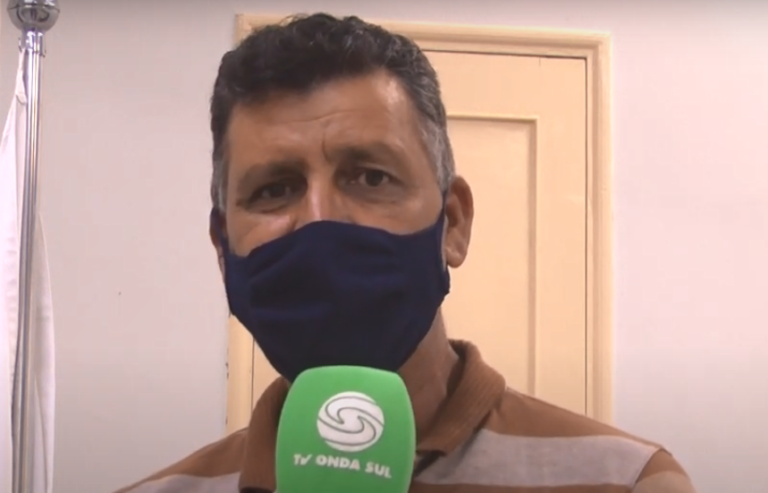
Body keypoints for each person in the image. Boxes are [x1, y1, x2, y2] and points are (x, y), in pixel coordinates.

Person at [115, 13, 697, 493]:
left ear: (453, 223)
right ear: (223, 250)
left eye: (370, 177)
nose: (320, 220)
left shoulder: (628, 482)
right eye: (274, 190)